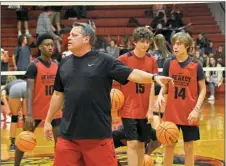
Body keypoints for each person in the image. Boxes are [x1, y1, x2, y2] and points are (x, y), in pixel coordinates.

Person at [43, 22, 173, 166]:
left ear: (86, 39)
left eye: (74, 35)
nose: (69, 38)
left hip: (97, 137)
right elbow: (58, 94)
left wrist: (153, 77)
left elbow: (131, 73)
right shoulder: (64, 63)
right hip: (68, 137)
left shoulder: (104, 60)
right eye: (70, 35)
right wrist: (48, 120)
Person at [156, 32, 206, 166]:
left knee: (189, 147)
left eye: (179, 44)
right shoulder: (168, 63)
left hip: (189, 112)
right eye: (174, 44)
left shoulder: (196, 65)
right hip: (172, 112)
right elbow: (165, 85)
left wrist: (196, 110)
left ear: (187, 46)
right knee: (168, 146)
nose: (175, 47)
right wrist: (161, 93)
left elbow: (203, 89)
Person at [14, 33, 62, 166]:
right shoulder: (33, 66)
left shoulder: (57, 65)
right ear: (40, 47)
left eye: (52, 45)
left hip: (54, 109)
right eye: (47, 45)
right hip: (35, 110)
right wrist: (29, 114)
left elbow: (60, 88)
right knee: (24, 139)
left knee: (60, 143)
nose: (50, 47)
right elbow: (29, 90)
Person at [117, 26, 158, 166]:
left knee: (141, 144)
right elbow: (115, 85)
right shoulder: (123, 59)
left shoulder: (152, 60)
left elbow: (153, 86)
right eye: (142, 41)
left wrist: (151, 110)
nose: (145, 44)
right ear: (134, 42)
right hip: (128, 108)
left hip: (145, 109)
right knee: (132, 143)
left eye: (147, 42)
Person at [1, 76, 26, 151]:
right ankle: (26, 141)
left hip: (15, 90)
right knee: (26, 117)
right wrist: (22, 108)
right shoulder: (21, 80)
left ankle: (12, 144)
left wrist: (8, 108)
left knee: (14, 118)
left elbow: (3, 95)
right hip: (27, 86)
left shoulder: (7, 86)